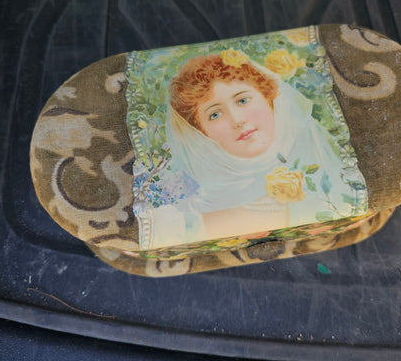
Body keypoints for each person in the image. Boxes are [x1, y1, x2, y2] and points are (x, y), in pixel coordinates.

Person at [142, 51, 367, 248]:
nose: (237, 120)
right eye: (215, 114)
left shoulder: (322, 167)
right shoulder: (182, 215)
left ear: (269, 100)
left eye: (242, 101)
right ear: (200, 133)